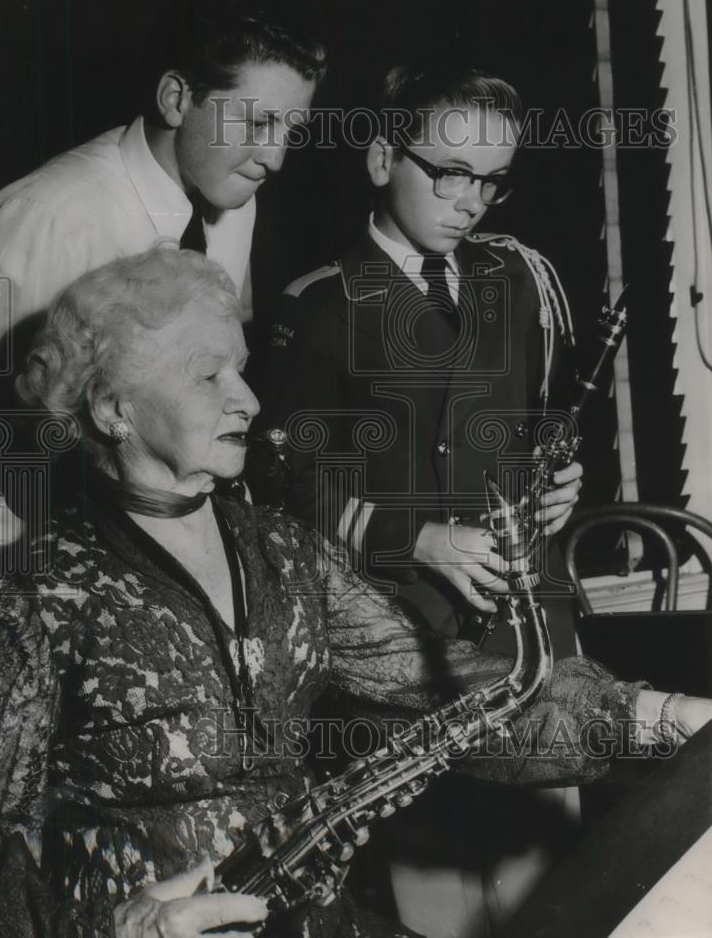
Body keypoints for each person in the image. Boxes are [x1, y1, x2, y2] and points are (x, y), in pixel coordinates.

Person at [0, 247, 708, 938]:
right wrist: (121, 927)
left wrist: (667, 719)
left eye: (239, 368)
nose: (249, 400)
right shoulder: (26, 598)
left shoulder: (285, 552)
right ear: (112, 410)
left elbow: (460, 697)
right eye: (209, 376)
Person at [248, 62, 590, 936]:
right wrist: (414, 539)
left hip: (524, 637)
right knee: (436, 900)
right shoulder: (316, 306)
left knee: (549, 891)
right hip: (405, 645)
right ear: (377, 159)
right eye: (447, 172)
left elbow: (534, 425)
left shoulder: (512, 283)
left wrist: (562, 486)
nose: (470, 200)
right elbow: (277, 482)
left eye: (490, 181)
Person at [0, 0, 325, 582]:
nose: (275, 158)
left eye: (289, 132)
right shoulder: (48, 218)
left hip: (139, 548)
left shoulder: (236, 199)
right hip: (0, 561)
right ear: (176, 98)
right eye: (256, 124)